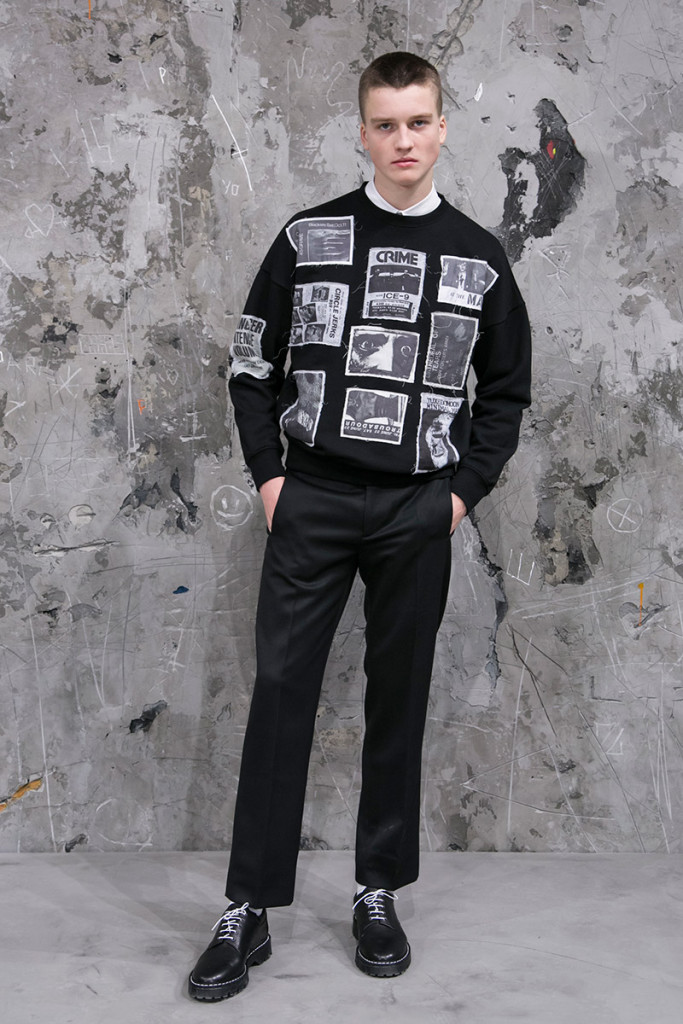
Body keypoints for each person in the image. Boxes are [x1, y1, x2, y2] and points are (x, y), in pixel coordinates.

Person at [188, 50, 531, 1001]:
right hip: (313, 498)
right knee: (280, 694)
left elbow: (504, 393)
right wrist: (271, 481)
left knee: (398, 699)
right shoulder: (309, 237)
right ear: (363, 132)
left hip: (418, 507)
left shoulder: (477, 257)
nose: (403, 140)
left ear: (442, 127)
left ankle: (376, 890)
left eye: (418, 122)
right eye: (386, 125)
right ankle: (248, 907)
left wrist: (457, 496)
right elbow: (251, 365)